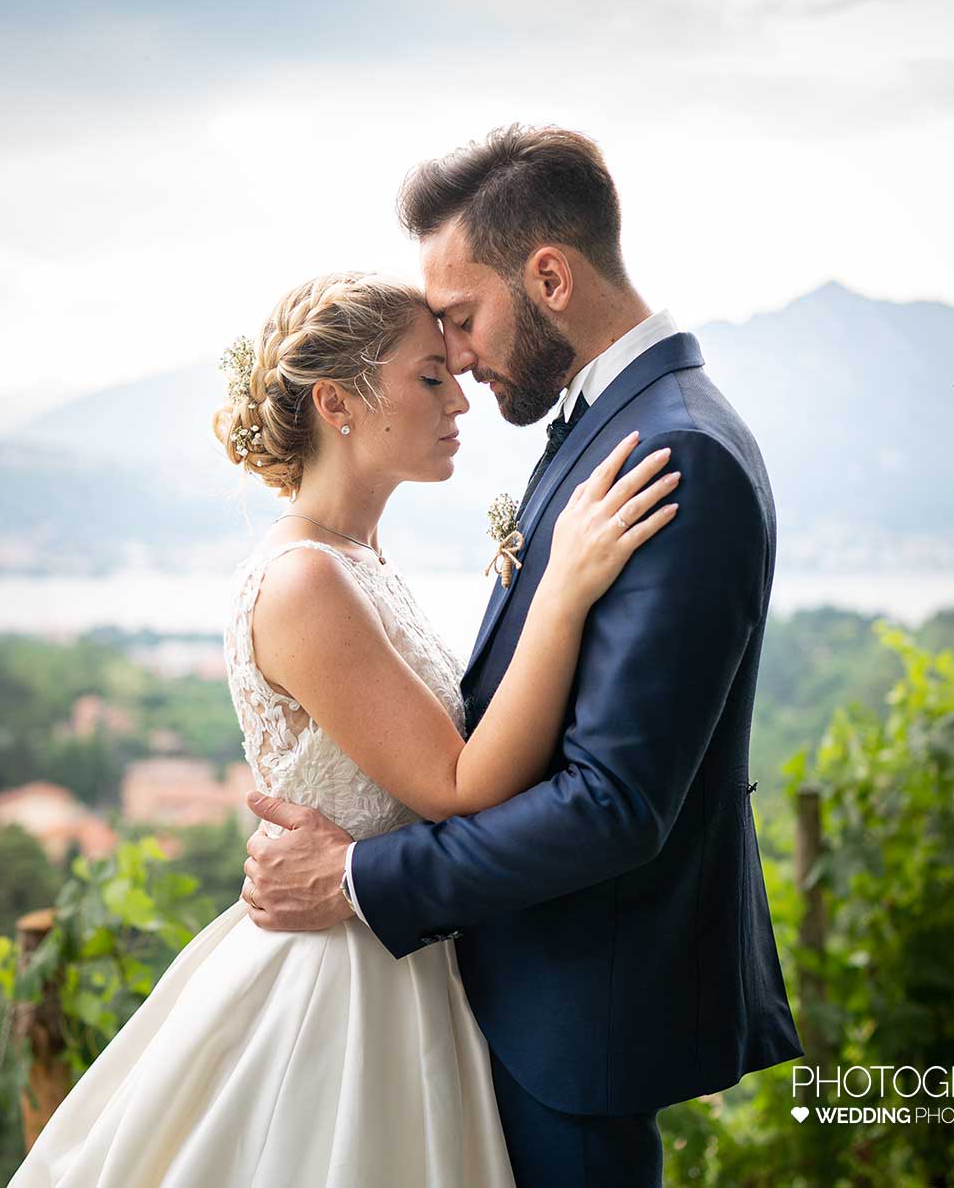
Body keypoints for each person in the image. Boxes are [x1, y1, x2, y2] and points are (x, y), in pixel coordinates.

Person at [8, 267, 681, 1186]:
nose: (461, 403)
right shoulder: (304, 582)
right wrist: (561, 591)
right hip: (344, 988)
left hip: (402, 957)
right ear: (340, 403)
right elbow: (458, 785)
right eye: (429, 378)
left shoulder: (356, 560)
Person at [241, 125, 804, 1186]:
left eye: (459, 316)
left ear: (546, 275)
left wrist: (358, 874)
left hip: (578, 1015)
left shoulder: (672, 450)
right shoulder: (601, 425)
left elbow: (611, 803)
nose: (453, 355)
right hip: (509, 991)